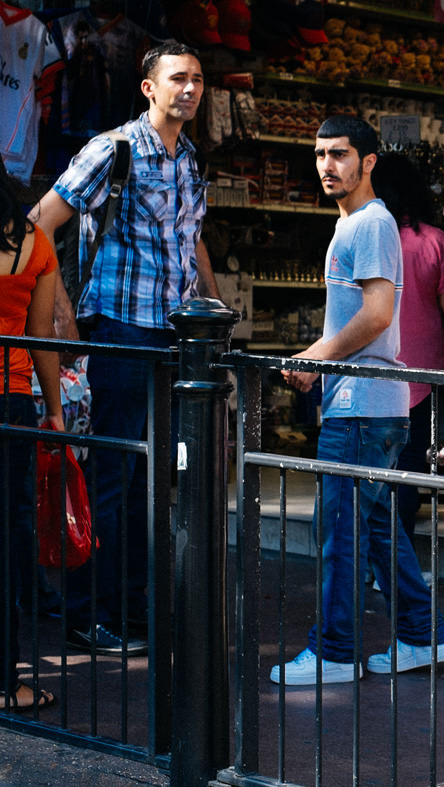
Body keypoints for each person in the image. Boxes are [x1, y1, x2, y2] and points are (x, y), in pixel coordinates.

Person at [32, 41, 219, 656]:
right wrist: (59, 309)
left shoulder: (190, 158)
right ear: (149, 87)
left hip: (173, 335)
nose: (189, 89)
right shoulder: (111, 150)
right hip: (117, 328)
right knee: (112, 473)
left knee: (151, 479)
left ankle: (134, 608)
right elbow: (40, 220)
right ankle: (90, 613)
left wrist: (214, 312)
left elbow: (193, 242)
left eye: (196, 79)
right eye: (177, 79)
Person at [271, 116, 444, 686]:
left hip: (362, 404)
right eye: (321, 154)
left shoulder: (369, 226)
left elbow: (377, 316)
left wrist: (313, 359)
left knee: (342, 535)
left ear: (369, 161)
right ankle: (423, 638)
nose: (328, 165)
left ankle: (333, 652)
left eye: (341, 154)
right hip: (373, 403)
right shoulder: (358, 224)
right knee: (376, 531)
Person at [370, 152, 444, 542]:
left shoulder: (366, 237)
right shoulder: (434, 242)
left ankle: (369, 564)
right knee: (407, 473)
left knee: (367, 473)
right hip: (420, 378)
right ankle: (399, 565)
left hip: (369, 374)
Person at [0, 156, 64, 710]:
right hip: (11, 400)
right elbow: (41, 337)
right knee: (5, 543)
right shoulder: (34, 242)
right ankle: (5, 682)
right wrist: (56, 410)